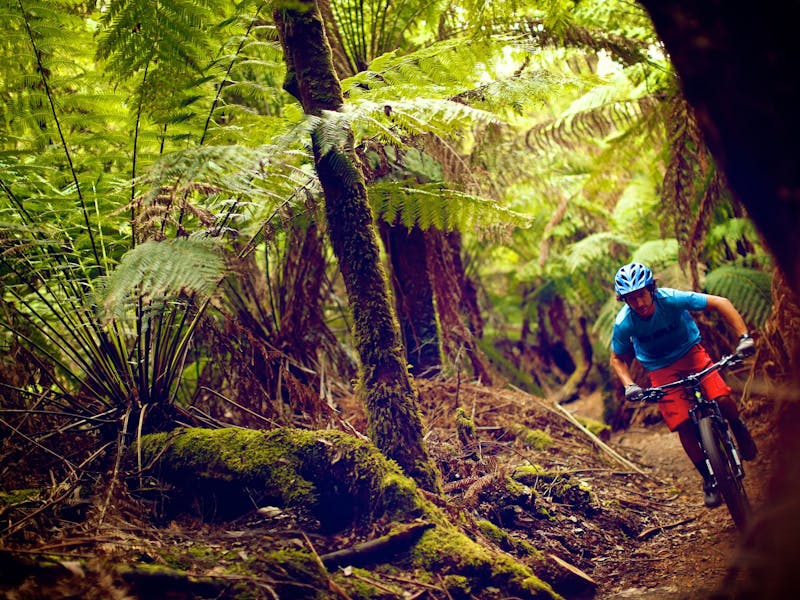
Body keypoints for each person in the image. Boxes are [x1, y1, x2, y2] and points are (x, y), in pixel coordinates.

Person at [609, 262, 757, 508]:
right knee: (683, 424)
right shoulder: (624, 323)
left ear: (651, 289)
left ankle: (738, 427)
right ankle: (709, 478)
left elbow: (721, 303)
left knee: (721, 397)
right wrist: (630, 385)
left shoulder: (671, 299)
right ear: (624, 300)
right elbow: (617, 359)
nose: (639, 303)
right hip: (660, 369)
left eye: (641, 294)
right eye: (631, 299)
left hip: (692, 354)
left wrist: (744, 338)